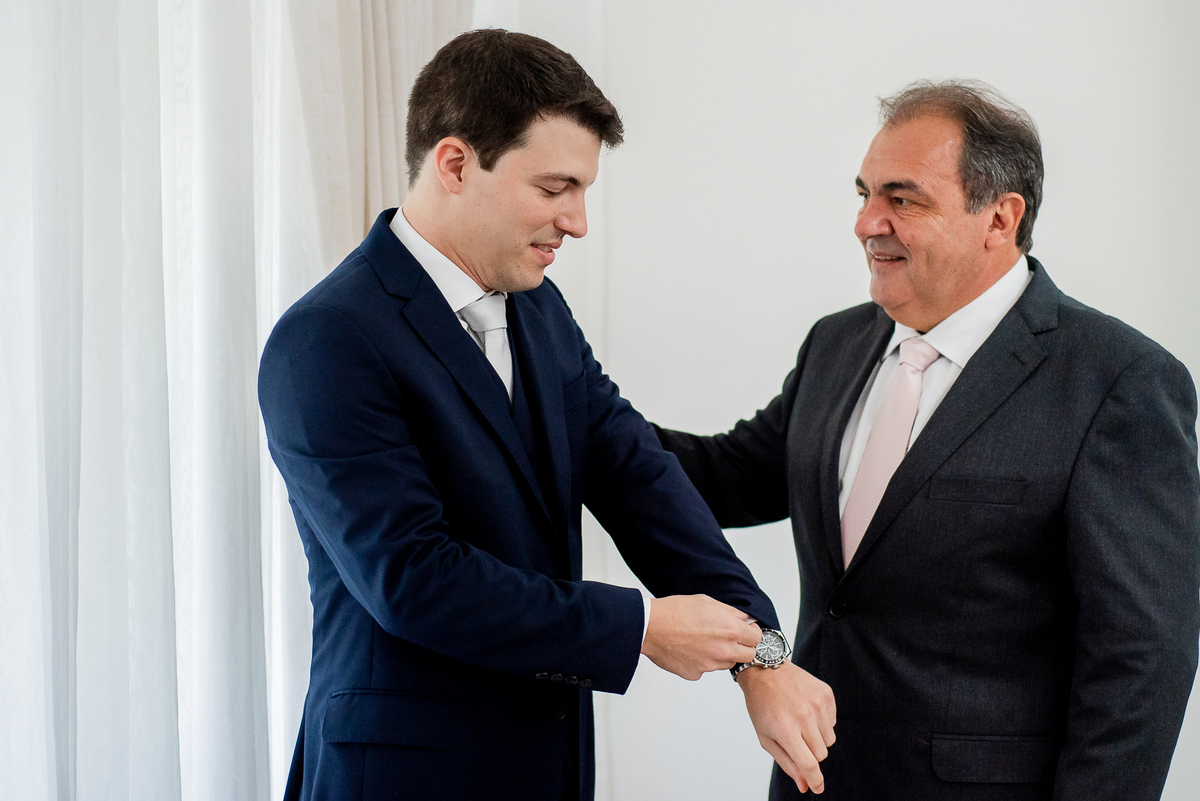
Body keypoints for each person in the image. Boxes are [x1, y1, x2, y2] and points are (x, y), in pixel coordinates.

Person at [258, 29, 835, 801]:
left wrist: (761, 655)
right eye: (555, 187)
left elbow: (638, 476)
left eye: (583, 190)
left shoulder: (540, 311)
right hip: (403, 774)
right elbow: (413, 578)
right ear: (455, 164)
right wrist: (641, 627)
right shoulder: (326, 339)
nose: (578, 221)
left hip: (546, 766)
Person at [655, 80, 1200, 800]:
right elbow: (726, 477)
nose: (866, 223)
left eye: (902, 199)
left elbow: (1142, 663)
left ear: (1000, 217)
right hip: (814, 781)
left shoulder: (1117, 381)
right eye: (864, 194)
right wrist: (574, 411)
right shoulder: (837, 343)